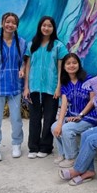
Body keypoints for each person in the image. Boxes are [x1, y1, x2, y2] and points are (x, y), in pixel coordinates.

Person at [0, 12, 27, 162]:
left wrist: (22, 69)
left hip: (15, 87)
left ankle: (16, 143)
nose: (10, 25)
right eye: (7, 22)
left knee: (16, 119)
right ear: (2, 23)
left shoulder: (21, 42)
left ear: (16, 26)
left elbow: (23, 62)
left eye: (13, 23)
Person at [23, 16, 68, 159]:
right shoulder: (32, 44)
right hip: (34, 87)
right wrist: (26, 87)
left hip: (51, 87)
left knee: (49, 118)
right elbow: (27, 66)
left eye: (49, 26)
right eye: (44, 25)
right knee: (34, 118)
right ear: (40, 27)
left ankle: (46, 146)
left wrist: (58, 87)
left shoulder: (58, 46)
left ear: (53, 28)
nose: (46, 28)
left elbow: (61, 68)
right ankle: (33, 147)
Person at [51, 53, 97, 168]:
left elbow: (93, 100)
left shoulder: (88, 79)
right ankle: (63, 154)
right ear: (64, 67)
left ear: (79, 64)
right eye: (68, 63)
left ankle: (72, 157)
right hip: (73, 116)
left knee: (67, 129)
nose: (71, 65)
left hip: (89, 117)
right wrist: (59, 123)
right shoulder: (65, 83)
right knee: (55, 127)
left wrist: (81, 115)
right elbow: (64, 104)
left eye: (74, 62)